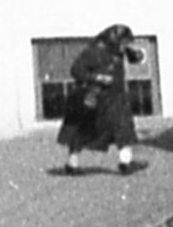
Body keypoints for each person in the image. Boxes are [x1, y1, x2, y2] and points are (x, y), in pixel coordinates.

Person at [56, 26, 147, 175]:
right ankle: (72, 164)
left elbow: (136, 58)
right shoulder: (93, 51)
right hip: (95, 97)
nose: (125, 45)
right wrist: (97, 77)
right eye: (124, 42)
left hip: (115, 97)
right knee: (83, 131)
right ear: (115, 40)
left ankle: (126, 162)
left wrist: (137, 55)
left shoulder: (118, 50)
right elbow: (76, 70)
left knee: (123, 128)